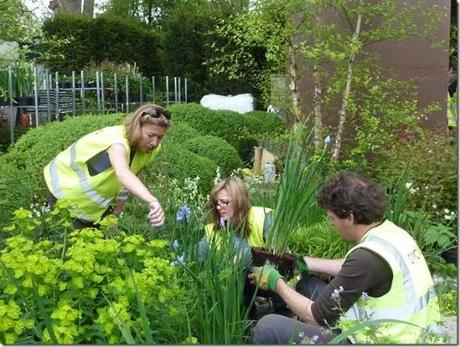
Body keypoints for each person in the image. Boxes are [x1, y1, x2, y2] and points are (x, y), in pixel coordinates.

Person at [249, 171, 441, 344]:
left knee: (267, 327)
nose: (331, 223)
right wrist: (304, 262)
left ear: (349, 217)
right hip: (412, 332)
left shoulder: (366, 259)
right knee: (307, 285)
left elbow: (315, 316)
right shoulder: (392, 233)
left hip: (383, 339)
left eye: (332, 218)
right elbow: (351, 269)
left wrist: (275, 281)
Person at [43, 103, 170, 229]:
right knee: (71, 245)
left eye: (160, 137)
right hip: (63, 191)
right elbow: (123, 174)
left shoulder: (150, 149)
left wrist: (116, 214)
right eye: (150, 135)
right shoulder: (117, 143)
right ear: (137, 127)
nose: (154, 142)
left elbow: (128, 182)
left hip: (91, 207)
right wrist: (152, 200)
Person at [198, 176, 290, 316]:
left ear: (240, 201)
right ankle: (246, 319)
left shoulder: (263, 218)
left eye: (225, 202)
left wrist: (260, 268)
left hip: (271, 277)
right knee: (236, 279)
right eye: (216, 203)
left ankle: (283, 312)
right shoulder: (212, 230)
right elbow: (196, 259)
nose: (219, 207)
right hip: (237, 282)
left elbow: (284, 258)